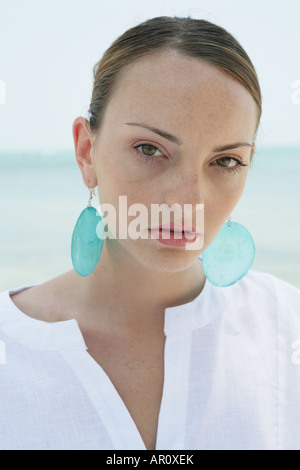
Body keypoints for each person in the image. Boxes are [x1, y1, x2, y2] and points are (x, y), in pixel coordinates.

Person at [0, 15, 300, 451]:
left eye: (226, 161)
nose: (189, 199)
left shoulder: (287, 329)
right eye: (149, 150)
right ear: (87, 151)